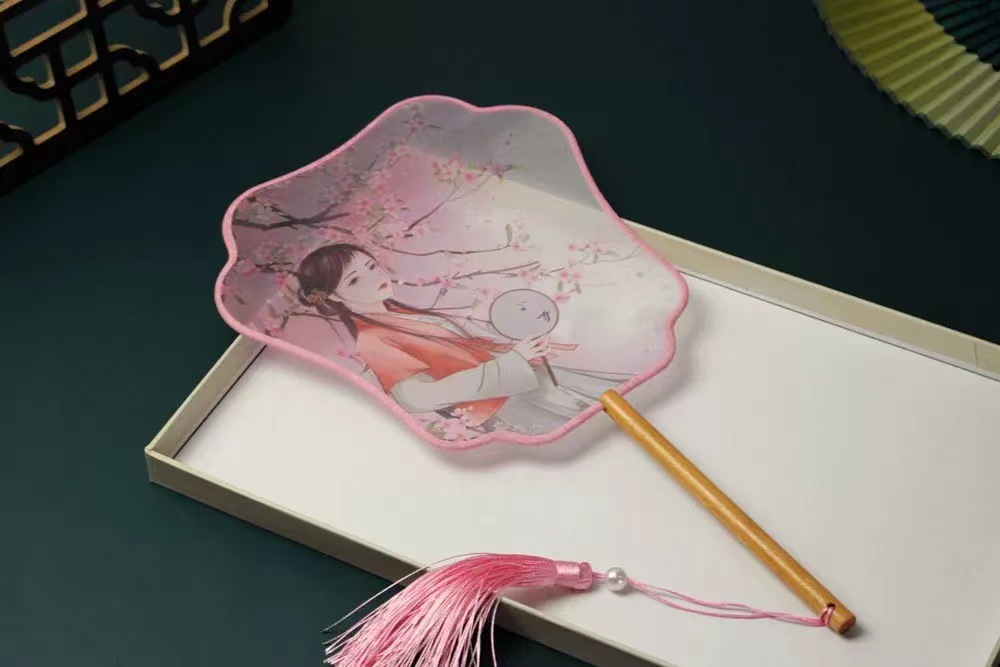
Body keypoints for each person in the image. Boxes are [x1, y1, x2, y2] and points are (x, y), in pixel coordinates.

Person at [296, 243, 628, 436]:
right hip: (506, 404)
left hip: (520, 384)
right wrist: (513, 362)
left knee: (614, 408)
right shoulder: (373, 341)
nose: (374, 277)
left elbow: (462, 346)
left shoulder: (398, 314)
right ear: (333, 296)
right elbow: (418, 397)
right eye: (355, 280)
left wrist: (520, 350)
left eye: (371, 266)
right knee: (599, 432)